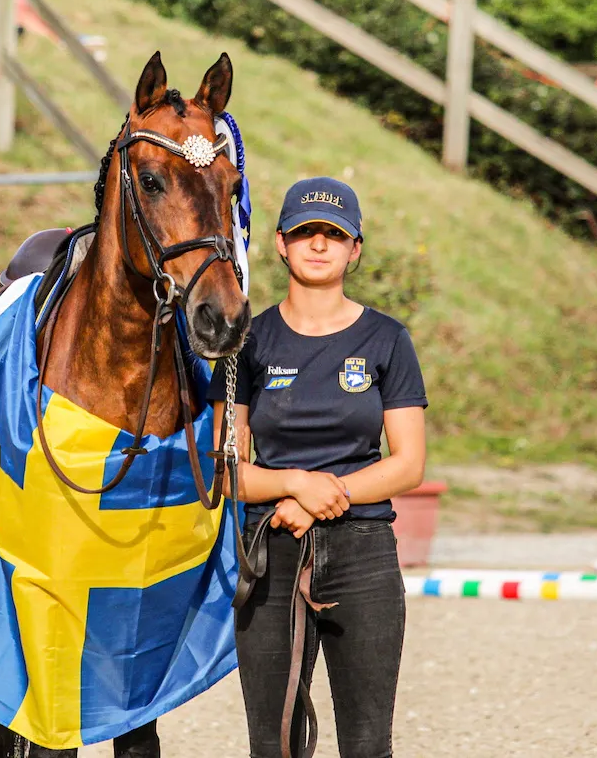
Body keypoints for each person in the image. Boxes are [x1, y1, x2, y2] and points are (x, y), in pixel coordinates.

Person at [229, 176, 428, 758]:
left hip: (364, 552)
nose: (319, 244)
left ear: (355, 249)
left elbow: (409, 463)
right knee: (274, 745)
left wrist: (324, 494)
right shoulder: (248, 341)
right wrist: (293, 485)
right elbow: (228, 471)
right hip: (271, 551)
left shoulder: (388, 340)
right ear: (281, 244)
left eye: (334, 235)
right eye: (306, 232)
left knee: (367, 746)